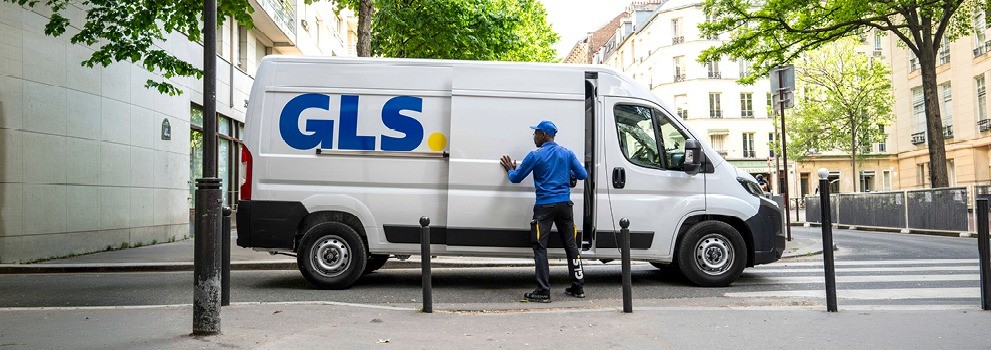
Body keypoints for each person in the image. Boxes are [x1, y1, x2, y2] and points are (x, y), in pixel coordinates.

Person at [500, 120, 588, 303]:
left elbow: (516, 178)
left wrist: (509, 169)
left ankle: (543, 291)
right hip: (565, 205)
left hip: (544, 207)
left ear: (544, 135)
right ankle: (577, 287)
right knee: (571, 245)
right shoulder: (567, 153)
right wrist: (568, 175)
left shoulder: (535, 155)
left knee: (540, 248)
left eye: (536, 133)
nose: (534, 137)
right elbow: (582, 175)